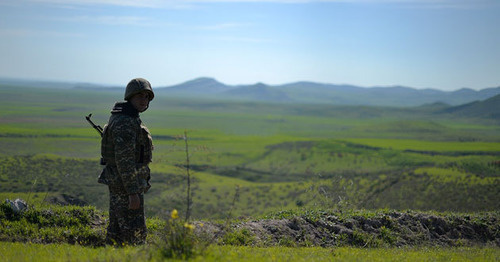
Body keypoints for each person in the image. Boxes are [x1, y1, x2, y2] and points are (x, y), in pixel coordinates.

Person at [99, 78, 154, 245]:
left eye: (146, 97)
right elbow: (125, 161)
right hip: (125, 185)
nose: (143, 100)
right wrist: (132, 193)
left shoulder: (124, 116)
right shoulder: (126, 122)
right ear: (130, 97)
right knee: (134, 235)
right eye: (139, 96)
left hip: (118, 181)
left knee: (116, 233)